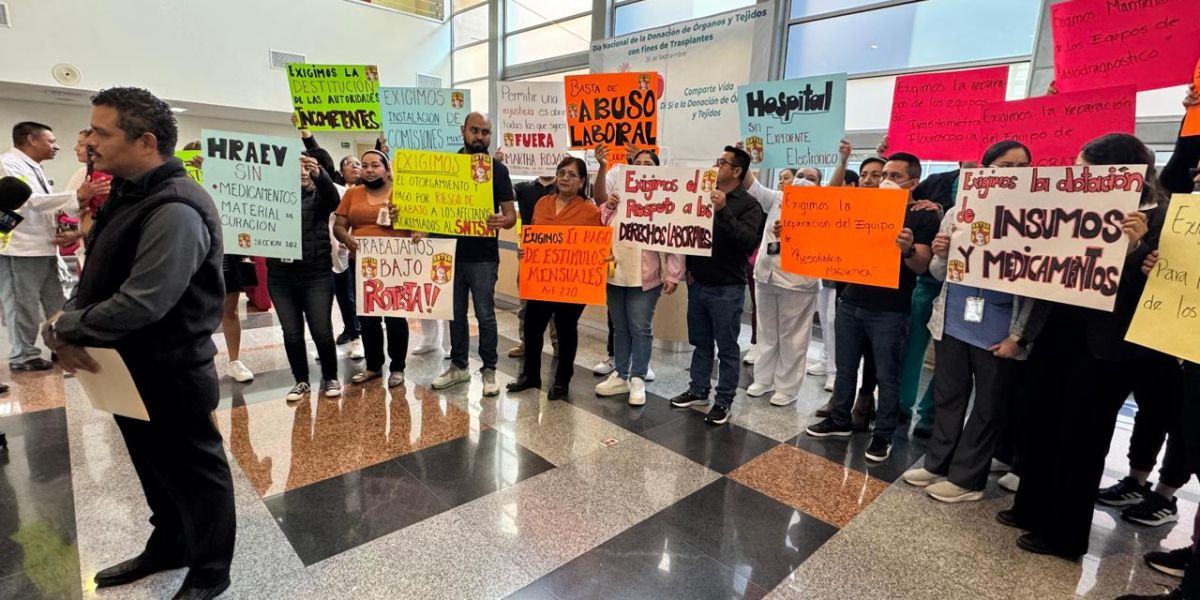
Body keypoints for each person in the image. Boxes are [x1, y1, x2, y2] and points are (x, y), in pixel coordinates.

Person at [43, 86, 234, 599]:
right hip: (128, 366)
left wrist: (67, 326)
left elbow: (144, 301)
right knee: (152, 463)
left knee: (196, 470)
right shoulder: (130, 192)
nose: (87, 140)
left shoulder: (175, 206)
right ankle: (170, 543)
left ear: (145, 140)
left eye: (100, 131)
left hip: (170, 368)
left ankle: (212, 570)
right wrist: (71, 320)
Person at [1000, 133, 1166, 561]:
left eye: (1087, 168)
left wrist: (1137, 247)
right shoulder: (1072, 204)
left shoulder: (1161, 219)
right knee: (1038, 420)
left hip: (1108, 345)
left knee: (1081, 438)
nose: (1079, 176)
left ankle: (1064, 533)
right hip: (1061, 328)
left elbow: (1156, 290)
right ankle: (1030, 506)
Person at [901, 140, 1049, 503]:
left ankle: (968, 479)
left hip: (999, 331)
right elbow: (939, 273)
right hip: (953, 321)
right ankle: (938, 463)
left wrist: (1020, 336)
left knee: (988, 406)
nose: (1012, 172)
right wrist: (941, 254)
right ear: (984, 169)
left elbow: (1037, 288)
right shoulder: (958, 212)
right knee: (949, 395)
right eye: (1004, 165)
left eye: (1021, 166)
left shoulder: (1037, 218)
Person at [805, 152, 938, 462]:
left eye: (893, 176)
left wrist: (906, 250)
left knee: (888, 375)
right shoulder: (860, 207)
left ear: (912, 183)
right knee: (845, 367)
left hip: (890, 308)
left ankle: (883, 435)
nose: (884, 181)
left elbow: (922, 265)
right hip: (851, 300)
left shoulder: (923, 216)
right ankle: (839, 419)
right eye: (882, 175)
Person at [669, 146, 765, 425]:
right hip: (698, 283)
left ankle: (724, 400)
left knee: (726, 347)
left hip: (727, 288)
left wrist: (723, 211)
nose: (716, 165)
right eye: (716, 160)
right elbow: (689, 233)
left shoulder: (749, 205)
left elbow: (747, 242)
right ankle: (699, 389)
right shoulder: (699, 196)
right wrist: (687, 268)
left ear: (736, 171)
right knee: (700, 342)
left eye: (722, 163)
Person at [0, 122, 101, 371]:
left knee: (56, 300)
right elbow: (29, 201)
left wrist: (76, 208)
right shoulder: (7, 164)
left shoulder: (35, 168)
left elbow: (46, 205)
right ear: (32, 140)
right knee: (21, 303)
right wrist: (77, 195)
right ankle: (23, 355)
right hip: (21, 248)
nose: (56, 146)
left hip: (44, 246)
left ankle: (62, 345)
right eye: (50, 140)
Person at [431, 113, 516, 396]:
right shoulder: (446, 167)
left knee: (485, 315)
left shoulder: (498, 170)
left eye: (486, 132)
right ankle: (459, 367)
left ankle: (489, 370)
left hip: (483, 256)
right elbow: (431, 208)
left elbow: (511, 215)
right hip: (449, 253)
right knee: (454, 314)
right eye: (475, 130)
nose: (480, 136)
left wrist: (502, 221)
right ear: (463, 131)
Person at [592, 145, 683, 406]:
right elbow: (602, 225)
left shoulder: (665, 200)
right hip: (615, 272)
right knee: (620, 329)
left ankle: (638, 378)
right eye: (638, 162)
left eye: (649, 164)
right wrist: (608, 207)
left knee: (640, 329)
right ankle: (621, 374)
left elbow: (675, 238)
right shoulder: (619, 194)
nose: (642, 167)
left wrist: (674, 274)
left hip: (645, 276)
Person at [506, 156, 602, 400]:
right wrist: (525, 249)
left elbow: (597, 245)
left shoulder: (590, 211)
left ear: (582, 181)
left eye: (572, 174)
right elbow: (535, 236)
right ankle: (530, 376)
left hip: (572, 282)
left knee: (566, 328)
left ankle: (562, 381)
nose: (565, 178)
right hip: (542, 280)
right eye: (561, 173)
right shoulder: (542, 204)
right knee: (532, 325)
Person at [332, 150, 412, 388]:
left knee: (396, 317)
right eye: (365, 165)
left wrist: (405, 218)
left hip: (395, 263)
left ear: (387, 169)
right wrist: (346, 238)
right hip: (363, 263)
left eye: (375, 165)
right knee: (368, 317)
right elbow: (339, 225)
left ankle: (397, 367)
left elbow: (421, 226)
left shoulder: (403, 193)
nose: (368, 170)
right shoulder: (352, 194)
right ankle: (374, 366)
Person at [180, 139, 256, 385]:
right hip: (191, 250)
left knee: (229, 307)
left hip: (224, 250)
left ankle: (234, 360)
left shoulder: (225, 184)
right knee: (193, 310)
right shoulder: (179, 185)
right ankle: (197, 362)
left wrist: (215, 173)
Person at [269, 154, 344, 402]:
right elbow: (239, 193)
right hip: (280, 275)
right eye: (297, 168)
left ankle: (330, 376)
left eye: (306, 168)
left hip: (316, 273)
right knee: (291, 332)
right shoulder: (272, 198)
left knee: (321, 330)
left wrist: (320, 175)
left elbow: (333, 199)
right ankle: (300, 381)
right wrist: (214, 168)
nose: (302, 172)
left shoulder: (320, 197)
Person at [743, 168, 819, 407]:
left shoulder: (823, 208)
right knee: (767, 331)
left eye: (811, 178)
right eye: (801, 176)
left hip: (798, 282)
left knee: (792, 337)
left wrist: (797, 231)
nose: (803, 181)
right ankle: (763, 379)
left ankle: (787, 387)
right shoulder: (777, 198)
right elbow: (751, 184)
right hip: (766, 275)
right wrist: (744, 157)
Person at [507, 169, 558, 359]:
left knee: (556, 306)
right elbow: (503, 194)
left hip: (558, 256)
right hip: (529, 254)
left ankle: (558, 345)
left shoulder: (562, 188)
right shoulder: (523, 187)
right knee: (526, 304)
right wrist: (500, 167)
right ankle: (526, 343)